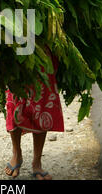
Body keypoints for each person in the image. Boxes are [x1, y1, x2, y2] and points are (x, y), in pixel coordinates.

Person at [4, 52, 64, 180]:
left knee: (42, 102)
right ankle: (16, 153)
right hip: (15, 45)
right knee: (15, 102)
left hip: (43, 47)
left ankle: (37, 162)